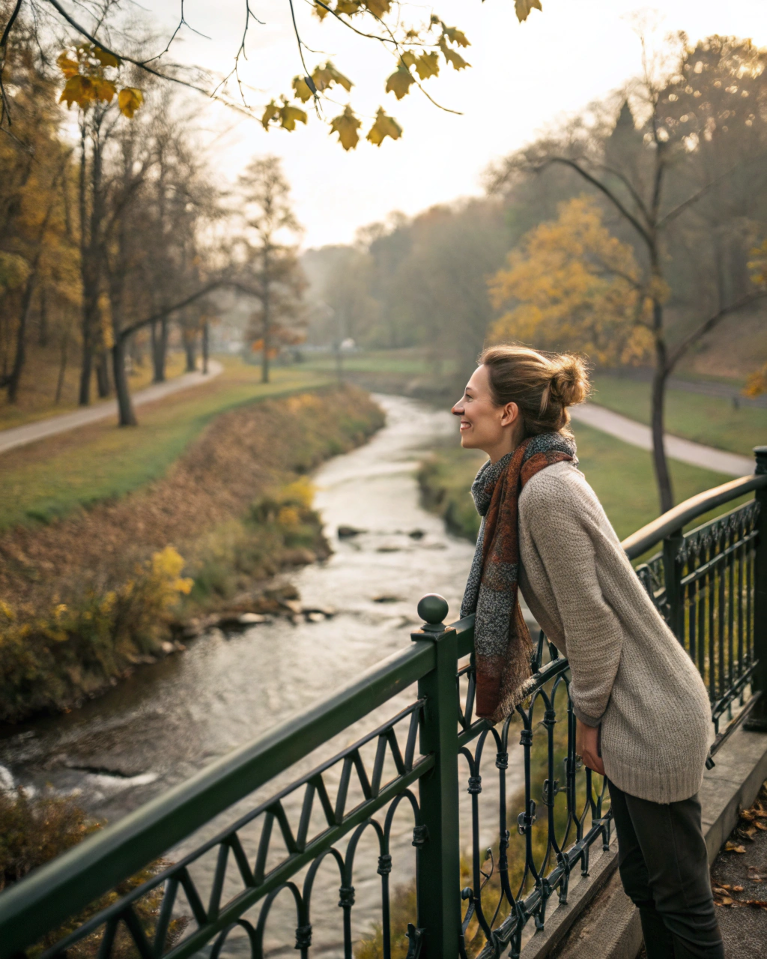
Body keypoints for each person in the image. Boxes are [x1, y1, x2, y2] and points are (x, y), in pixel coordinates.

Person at [453, 344, 724, 959]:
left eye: (470, 397)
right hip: (639, 710)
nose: (458, 407)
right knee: (647, 889)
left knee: (680, 900)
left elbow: (593, 628)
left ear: (509, 413)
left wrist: (586, 719)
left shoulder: (544, 495)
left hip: (653, 715)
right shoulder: (529, 482)